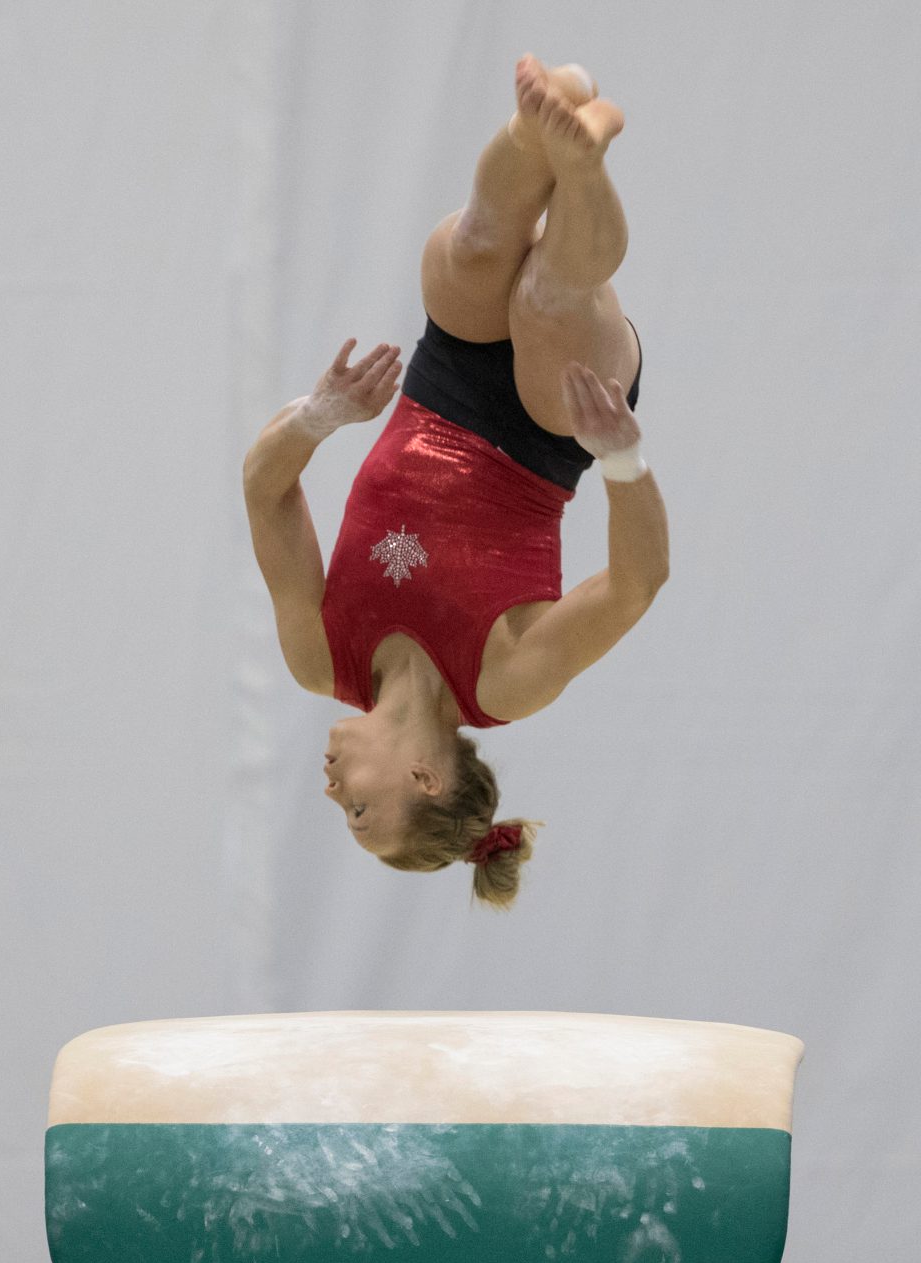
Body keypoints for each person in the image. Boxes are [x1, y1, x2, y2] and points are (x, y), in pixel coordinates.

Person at [243, 55, 669, 906]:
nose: (333, 793)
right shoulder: (503, 683)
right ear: (425, 780)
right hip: (553, 427)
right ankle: (578, 160)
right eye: (361, 810)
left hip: (442, 385)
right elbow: (633, 586)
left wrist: (320, 415)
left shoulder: (318, 655)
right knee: (546, 298)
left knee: (474, 245)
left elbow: (263, 489)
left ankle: (548, 121)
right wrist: (620, 456)